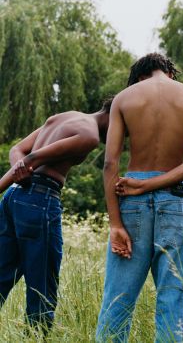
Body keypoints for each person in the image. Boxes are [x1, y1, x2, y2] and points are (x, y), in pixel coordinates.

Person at [96, 53, 183, 343]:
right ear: (170, 72)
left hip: (130, 200)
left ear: (139, 76)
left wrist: (115, 224)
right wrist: (155, 185)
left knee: (117, 299)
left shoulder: (124, 98)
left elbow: (110, 165)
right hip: (173, 201)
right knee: (172, 297)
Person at [0, 99, 112, 332]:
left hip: (15, 197)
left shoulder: (67, 115)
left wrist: (18, 176)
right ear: (112, 114)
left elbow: (18, 151)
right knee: (43, 285)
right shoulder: (90, 135)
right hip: (40, 200)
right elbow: (32, 159)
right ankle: (36, 337)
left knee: (1, 273)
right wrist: (18, 173)